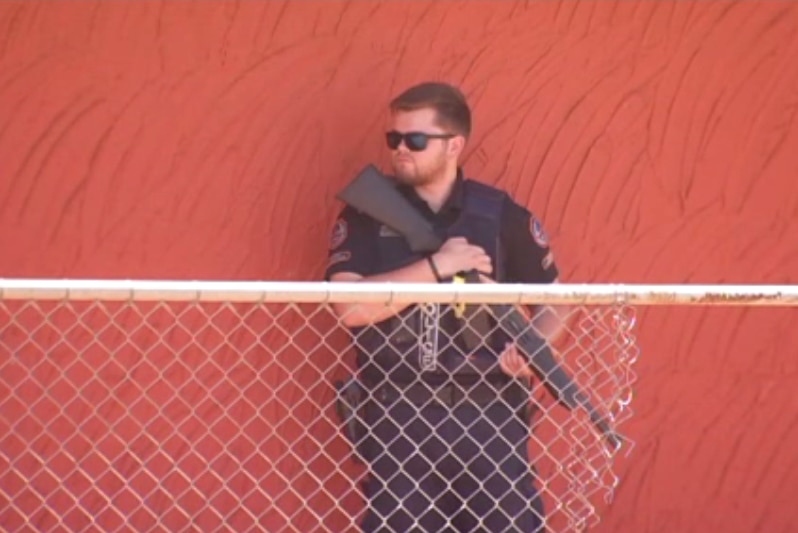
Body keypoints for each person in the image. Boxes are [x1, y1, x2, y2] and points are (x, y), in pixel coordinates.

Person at [325, 81, 564, 532]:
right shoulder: (364, 214)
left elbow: (557, 302)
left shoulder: (500, 215)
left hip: (489, 411)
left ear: (454, 145)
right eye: (392, 139)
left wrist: (536, 348)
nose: (400, 150)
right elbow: (350, 306)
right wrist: (438, 267)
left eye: (415, 140)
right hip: (398, 409)